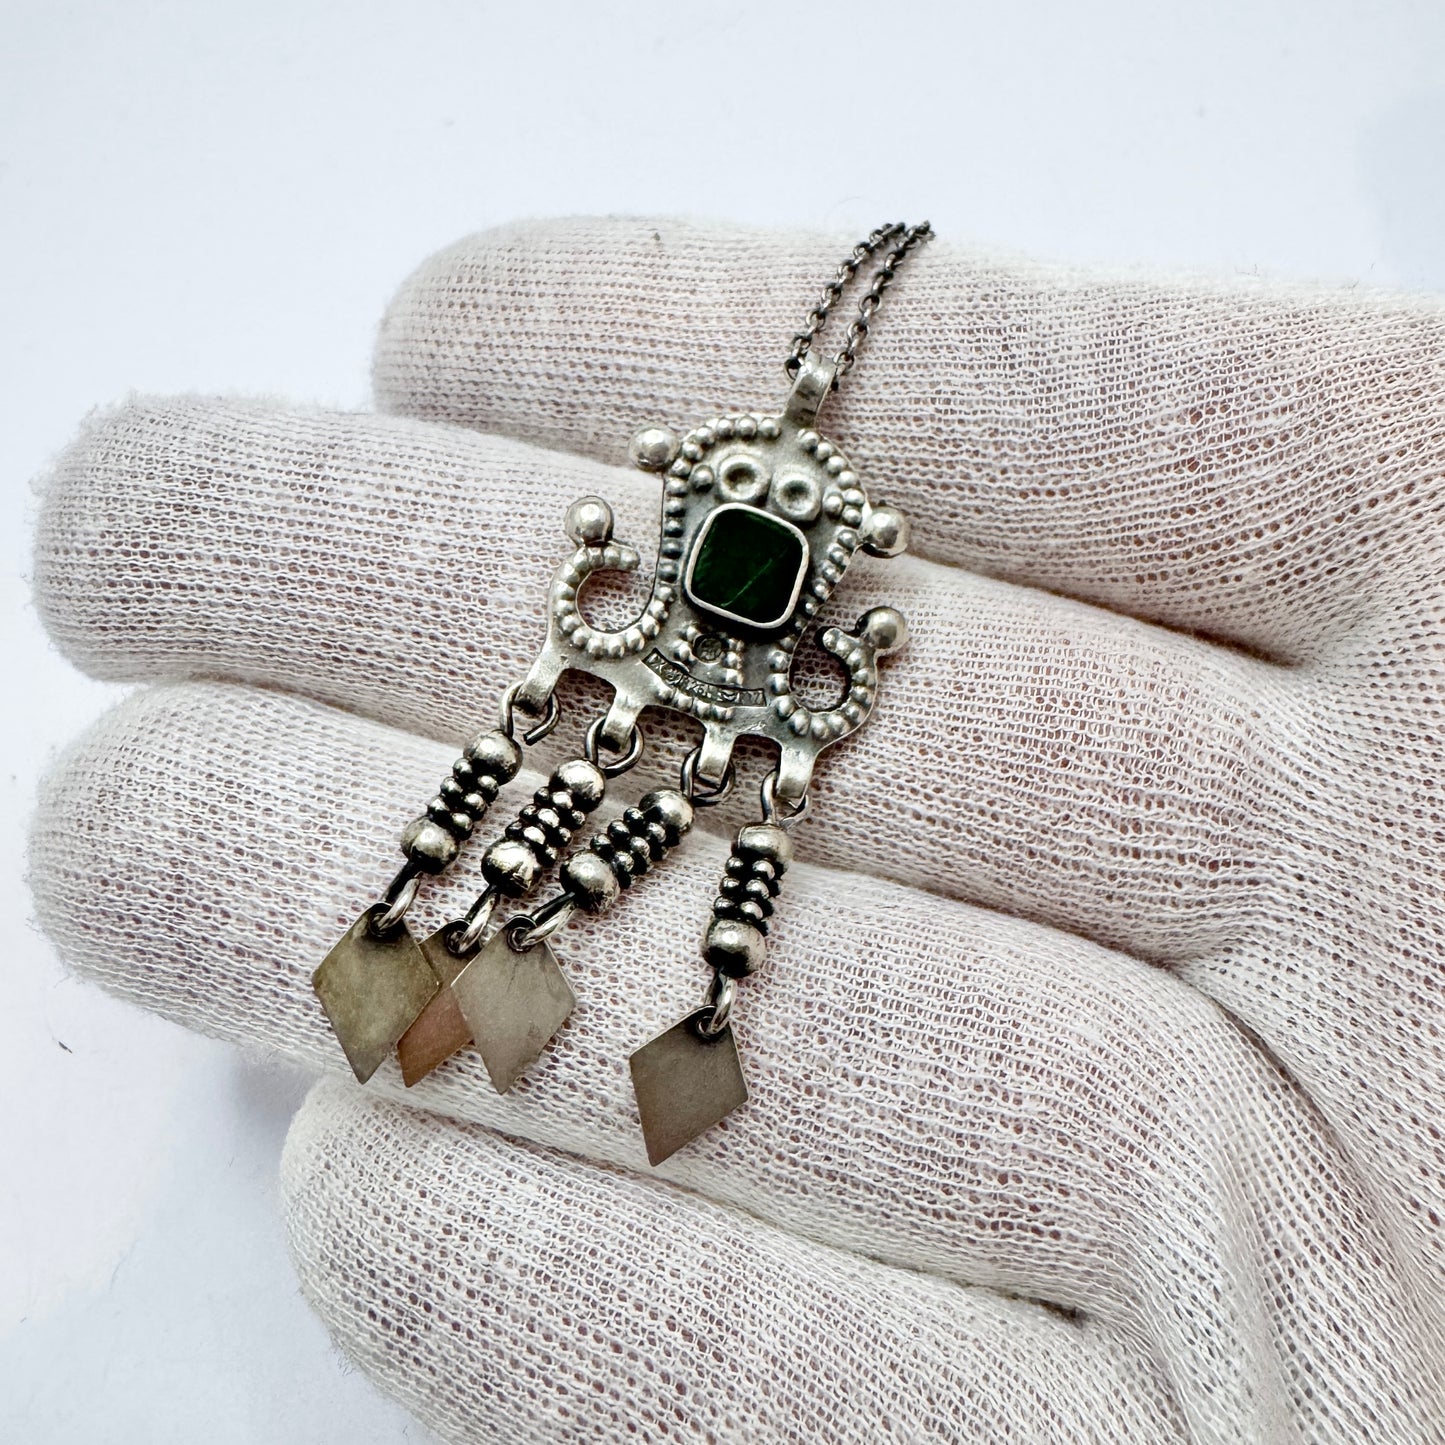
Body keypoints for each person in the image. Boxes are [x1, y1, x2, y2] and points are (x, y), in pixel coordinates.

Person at [29, 217, 1445, 1442]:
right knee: (517, 832)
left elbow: (796, 690)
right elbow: (664, 639)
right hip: (662, 695)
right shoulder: (714, 545)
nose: (757, 517)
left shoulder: (781, 573)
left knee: (577, 861)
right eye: (734, 504)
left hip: (712, 721)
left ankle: (489, 989)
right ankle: (424, 978)